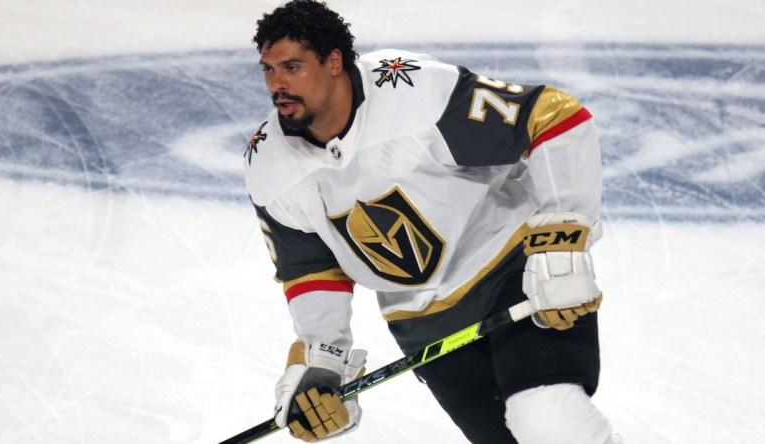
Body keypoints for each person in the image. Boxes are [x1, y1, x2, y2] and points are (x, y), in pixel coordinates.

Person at [244, 1, 618, 442]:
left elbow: (552, 117)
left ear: (333, 62)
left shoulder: (410, 92)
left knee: (550, 420)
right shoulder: (268, 165)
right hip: (426, 325)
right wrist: (323, 360)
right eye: (269, 70)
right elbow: (311, 271)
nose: (278, 84)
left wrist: (562, 238)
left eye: (292, 67)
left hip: (512, 275)